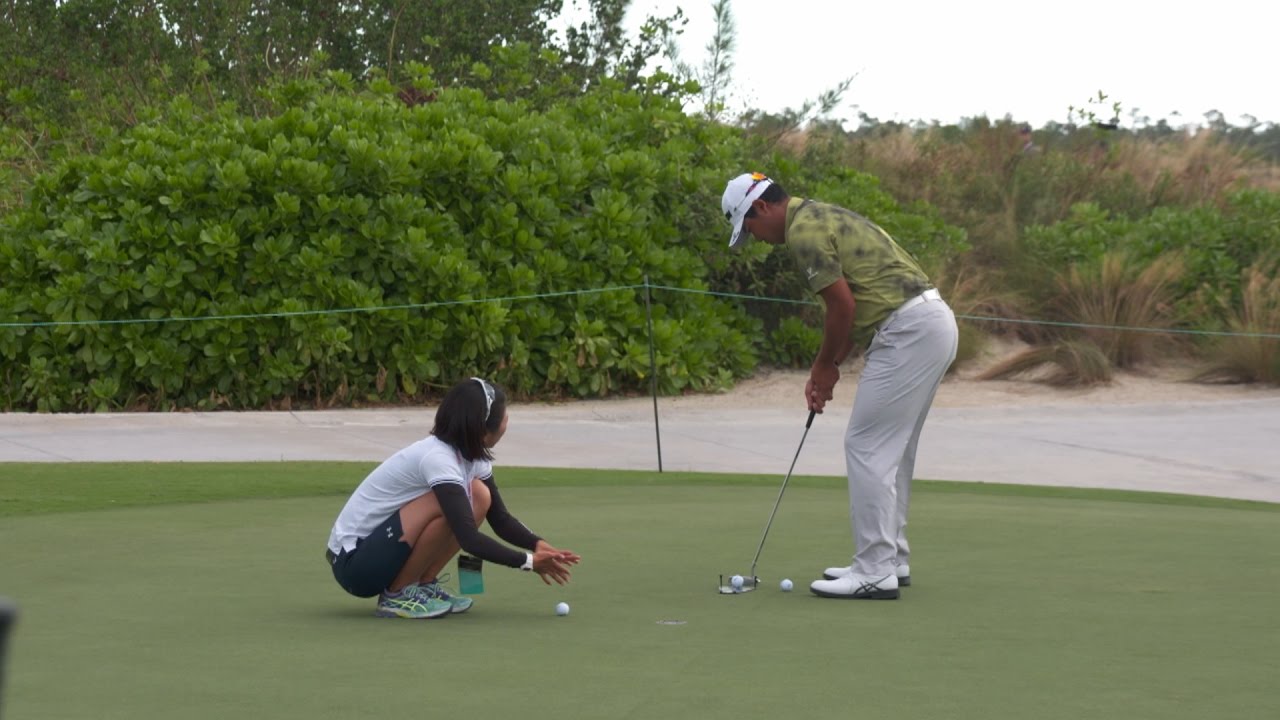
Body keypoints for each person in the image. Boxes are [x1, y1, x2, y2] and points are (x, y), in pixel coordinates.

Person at [720, 172, 958, 600]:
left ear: (760, 208)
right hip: (929, 323)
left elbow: (841, 307)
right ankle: (890, 560)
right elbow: (852, 308)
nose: (754, 238)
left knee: (867, 445)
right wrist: (827, 369)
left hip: (908, 330)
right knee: (893, 448)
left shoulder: (803, 233)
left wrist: (825, 365)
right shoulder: (818, 214)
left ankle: (874, 569)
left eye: (749, 228)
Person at [325, 377, 581, 618]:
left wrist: (537, 544)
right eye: (504, 417)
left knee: (479, 495)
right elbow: (468, 538)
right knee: (449, 504)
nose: (507, 420)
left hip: (379, 551)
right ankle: (396, 595)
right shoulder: (437, 458)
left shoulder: (470, 456)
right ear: (483, 432)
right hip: (354, 564)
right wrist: (528, 562)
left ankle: (423, 584)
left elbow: (500, 519)